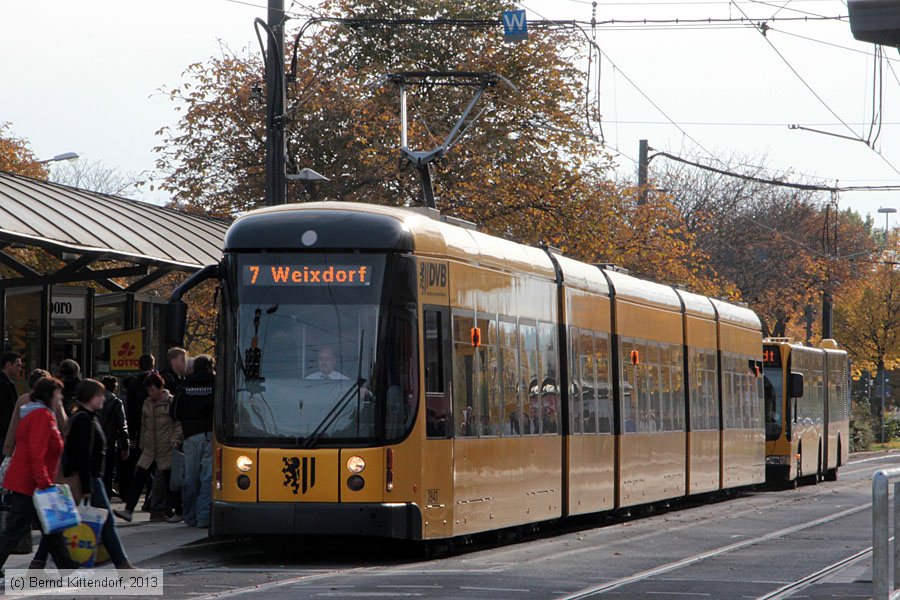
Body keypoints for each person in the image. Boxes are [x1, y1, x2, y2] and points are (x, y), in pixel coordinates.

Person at [0, 377, 80, 576]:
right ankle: (67, 569)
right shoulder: (42, 416)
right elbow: (37, 452)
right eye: (58, 393)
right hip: (30, 482)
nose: (61, 397)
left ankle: (67, 568)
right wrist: (44, 482)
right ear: (50, 395)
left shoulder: (40, 414)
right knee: (17, 529)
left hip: (32, 481)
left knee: (51, 528)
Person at [50, 379, 132, 570]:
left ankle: (38, 563)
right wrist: (87, 487)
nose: (103, 398)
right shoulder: (84, 420)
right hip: (87, 480)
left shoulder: (87, 417)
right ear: (90, 397)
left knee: (61, 523)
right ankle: (122, 565)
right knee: (107, 521)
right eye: (99, 394)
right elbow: (82, 455)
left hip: (87, 478)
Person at [115, 373, 177, 522]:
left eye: (153, 390)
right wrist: (142, 443)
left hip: (165, 446)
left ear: (160, 388)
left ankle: (172, 510)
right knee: (138, 478)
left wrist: (175, 439)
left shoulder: (170, 401)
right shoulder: (147, 403)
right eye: (149, 390)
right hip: (149, 448)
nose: (150, 393)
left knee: (170, 482)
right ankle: (129, 510)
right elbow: (144, 425)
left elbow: (177, 423)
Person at [172, 355, 215, 528]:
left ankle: (190, 517)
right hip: (212, 436)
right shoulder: (216, 385)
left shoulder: (184, 387)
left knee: (190, 477)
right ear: (209, 367)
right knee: (207, 478)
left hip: (190, 437)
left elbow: (174, 413)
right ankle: (203, 518)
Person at [4, 369, 67, 457]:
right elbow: (63, 423)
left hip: (25, 447)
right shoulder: (54, 400)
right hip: (47, 445)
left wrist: (9, 448)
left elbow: (14, 425)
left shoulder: (22, 399)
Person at [121, 354, 155, 508]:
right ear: (152, 365)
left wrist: (132, 433)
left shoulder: (133, 385)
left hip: (139, 431)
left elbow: (130, 412)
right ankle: (151, 497)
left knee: (143, 466)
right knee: (155, 467)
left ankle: (134, 502)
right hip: (155, 430)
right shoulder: (157, 382)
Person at [99, 377, 129, 499]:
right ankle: (106, 496)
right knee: (109, 471)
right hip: (111, 441)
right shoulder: (116, 402)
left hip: (97, 442)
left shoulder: (96, 401)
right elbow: (123, 425)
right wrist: (125, 445)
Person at [0, 352, 23, 443]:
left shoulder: (7, 383)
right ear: (9, 365)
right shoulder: (4, 385)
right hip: (3, 434)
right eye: (17, 365)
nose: (20, 369)